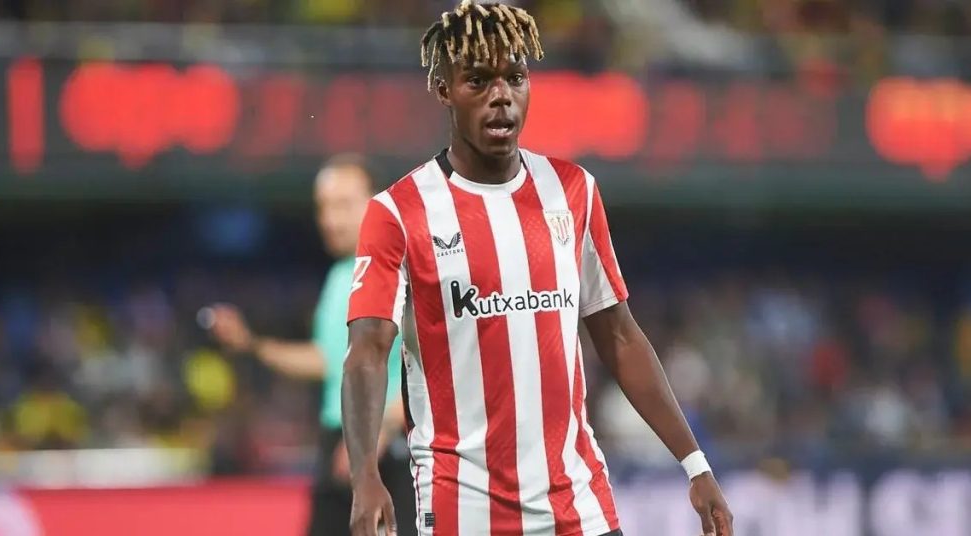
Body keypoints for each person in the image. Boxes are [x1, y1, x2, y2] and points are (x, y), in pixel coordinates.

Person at [342, 2, 734, 535]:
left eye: (515, 77)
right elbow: (367, 352)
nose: (501, 95)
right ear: (442, 89)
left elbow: (620, 336)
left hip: (579, 507)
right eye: (478, 81)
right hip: (464, 511)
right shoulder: (398, 212)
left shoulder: (573, 191)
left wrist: (695, 464)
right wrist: (365, 474)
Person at [202, 155, 417, 536]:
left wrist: (378, 432)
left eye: (343, 205)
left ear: (378, 204)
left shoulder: (405, 270)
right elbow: (327, 359)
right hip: (341, 437)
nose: (329, 219)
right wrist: (251, 344)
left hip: (390, 446)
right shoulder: (340, 275)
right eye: (323, 207)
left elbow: (432, 366)